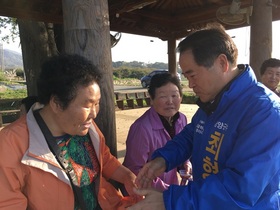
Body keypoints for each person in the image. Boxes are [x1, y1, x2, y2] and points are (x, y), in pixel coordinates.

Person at [127, 24, 280, 210]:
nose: (190, 85)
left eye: (192, 75)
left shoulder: (264, 111)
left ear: (222, 64)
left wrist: (171, 200)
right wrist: (163, 159)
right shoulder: (214, 101)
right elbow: (191, 135)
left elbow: (241, 188)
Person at [0, 54, 141, 210]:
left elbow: (104, 158)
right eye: (87, 105)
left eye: (97, 103)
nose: (94, 113)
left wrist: (126, 176)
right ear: (57, 103)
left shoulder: (85, 126)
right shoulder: (10, 144)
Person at [123, 73, 190, 193]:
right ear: (152, 100)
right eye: (163, 97)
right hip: (147, 195)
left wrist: (185, 164)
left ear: (181, 97)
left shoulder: (182, 119)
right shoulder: (141, 128)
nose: (170, 101)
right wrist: (165, 189)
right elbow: (134, 170)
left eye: (174, 95)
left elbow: (183, 148)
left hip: (170, 191)